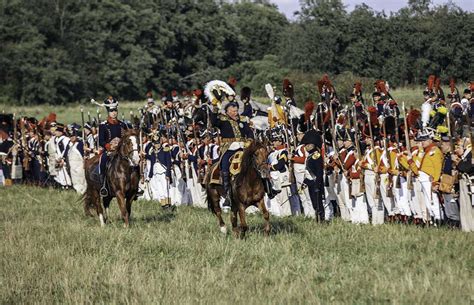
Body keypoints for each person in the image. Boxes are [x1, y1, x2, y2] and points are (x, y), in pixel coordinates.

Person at [98, 96, 127, 197]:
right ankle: (103, 185)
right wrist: (109, 146)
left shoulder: (122, 124)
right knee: (103, 161)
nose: (114, 113)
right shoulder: (103, 125)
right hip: (109, 151)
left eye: (115, 110)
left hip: (122, 151)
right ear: (108, 112)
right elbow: (101, 141)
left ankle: (136, 186)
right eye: (111, 111)